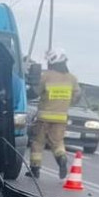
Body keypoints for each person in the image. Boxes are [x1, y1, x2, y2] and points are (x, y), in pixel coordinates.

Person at [29, 49, 81, 179]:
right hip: (61, 117)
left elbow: (36, 91)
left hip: (44, 117)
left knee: (38, 143)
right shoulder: (72, 78)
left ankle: (35, 170)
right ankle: (61, 158)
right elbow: (77, 96)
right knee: (57, 143)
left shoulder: (46, 75)